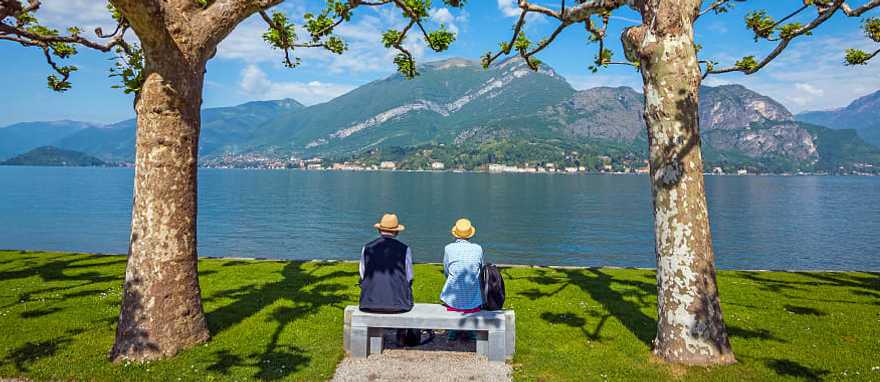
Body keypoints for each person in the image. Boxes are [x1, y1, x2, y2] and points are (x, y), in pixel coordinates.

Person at [358, 213, 414, 314]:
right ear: (396, 232)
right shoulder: (405, 249)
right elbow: (409, 276)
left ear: (379, 230)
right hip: (399, 305)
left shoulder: (367, 248)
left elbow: (362, 274)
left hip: (368, 303)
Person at [440, 218, 484, 341]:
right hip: (473, 300)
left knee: (454, 288)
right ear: (470, 234)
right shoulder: (478, 249)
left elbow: (446, 271)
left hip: (452, 299)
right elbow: (480, 269)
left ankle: (453, 331)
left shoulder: (448, 248)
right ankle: (469, 332)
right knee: (472, 292)